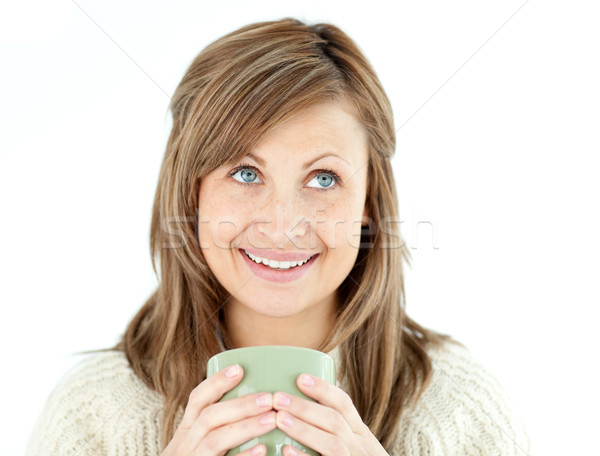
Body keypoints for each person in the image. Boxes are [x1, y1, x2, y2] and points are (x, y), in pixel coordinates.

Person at [26, 17, 531, 456]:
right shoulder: (93, 414)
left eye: (324, 179)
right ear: (191, 197)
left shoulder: (462, 411)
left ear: (369, 205)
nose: (282, 224)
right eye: (245, 173)